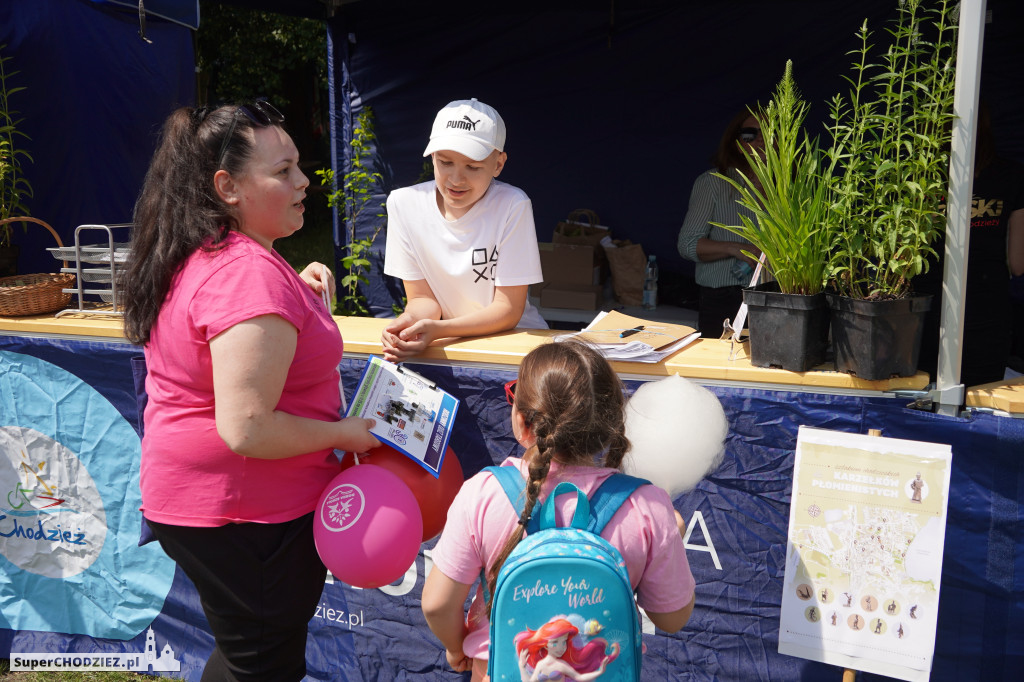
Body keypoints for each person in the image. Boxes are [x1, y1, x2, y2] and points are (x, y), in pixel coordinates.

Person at [121, 101, 379, 681]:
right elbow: (248, 427)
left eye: (297, 167)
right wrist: (347, 433)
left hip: (218, 505)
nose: (303, 181)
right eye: (282, 171)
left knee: (250, 653)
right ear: (227, 187)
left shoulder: (222, 253)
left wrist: (295, 287)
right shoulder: (247, 274)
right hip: (243, 511)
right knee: (262, 660)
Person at [420, 340, 696, 681]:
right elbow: (672, 618)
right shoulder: (646, 506)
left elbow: (436, 605)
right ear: (610, 424)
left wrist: (458, 644)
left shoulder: (484, 493)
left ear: (523, 422)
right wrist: (672, 536)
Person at [382, 98, 547, 362]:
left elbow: (508, 309)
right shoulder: (404, 204)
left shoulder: (512, 204)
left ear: (499, 164)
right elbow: (423, 300)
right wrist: (409, 322)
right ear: (432, 156)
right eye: (445, 162)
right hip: (450, 346)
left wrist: (438, 330)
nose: (456, 180)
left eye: (473, 167)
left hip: (517, 347)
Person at [914, 101, 1024, 386]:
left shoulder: (920, 177)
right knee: (979, 404)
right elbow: (1018, 263)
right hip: (987, 309)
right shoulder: (1012, 176)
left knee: (922, 402)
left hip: (928, 309)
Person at [678, 107, 765, 337]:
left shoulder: (790, 188)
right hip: (723, 298)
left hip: (777, 296)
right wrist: (735, 248)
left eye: (769, 133)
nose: (760, 140)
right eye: (750, 134)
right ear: (736, 141)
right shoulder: (713, 183)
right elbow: (687, 244)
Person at [515, 617, 620, 682]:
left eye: (564, 642)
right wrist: (521, 666)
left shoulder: (561, 665)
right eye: (555, 643)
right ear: (545, 645)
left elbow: (579, 677)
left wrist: (600, 672)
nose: (561, 647)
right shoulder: (541, 665)